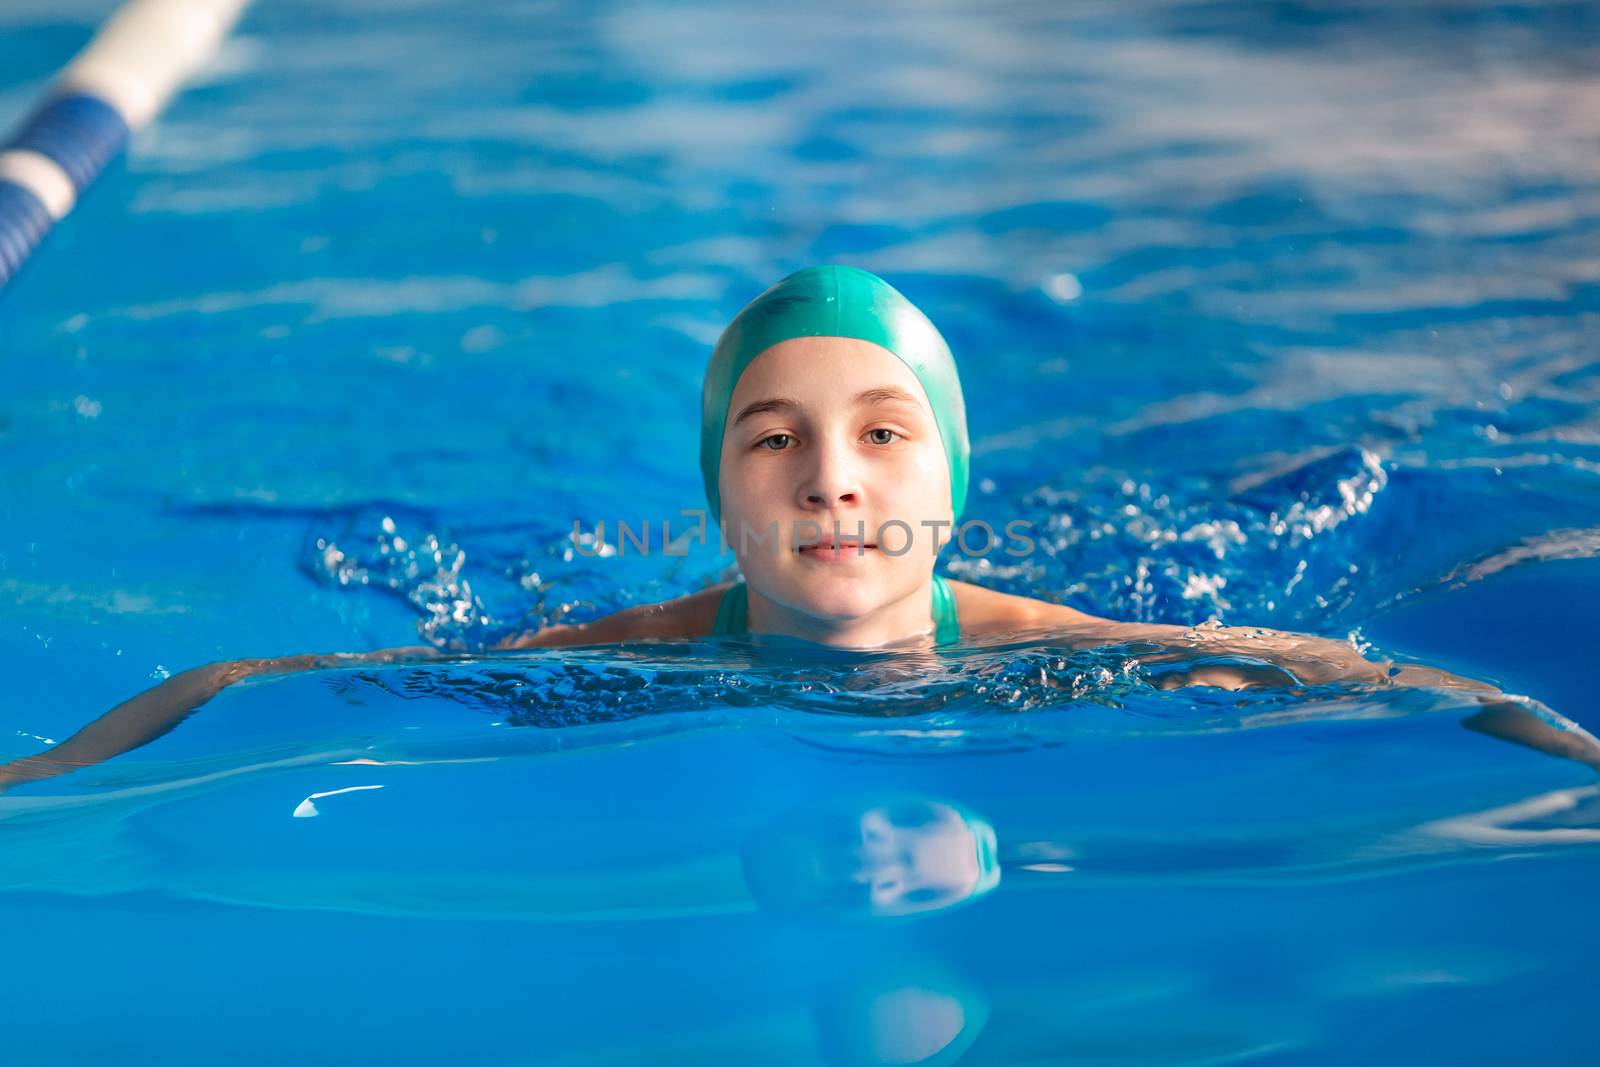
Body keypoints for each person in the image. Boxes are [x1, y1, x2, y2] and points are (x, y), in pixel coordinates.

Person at [2, 266, 1596, 792]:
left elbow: (1385, 679)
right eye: (776, 443)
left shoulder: (1072, 649)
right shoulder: (622, 655)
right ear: (724, 504)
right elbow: (232, 682)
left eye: (885, 437)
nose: (833, 480)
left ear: (949, 494)